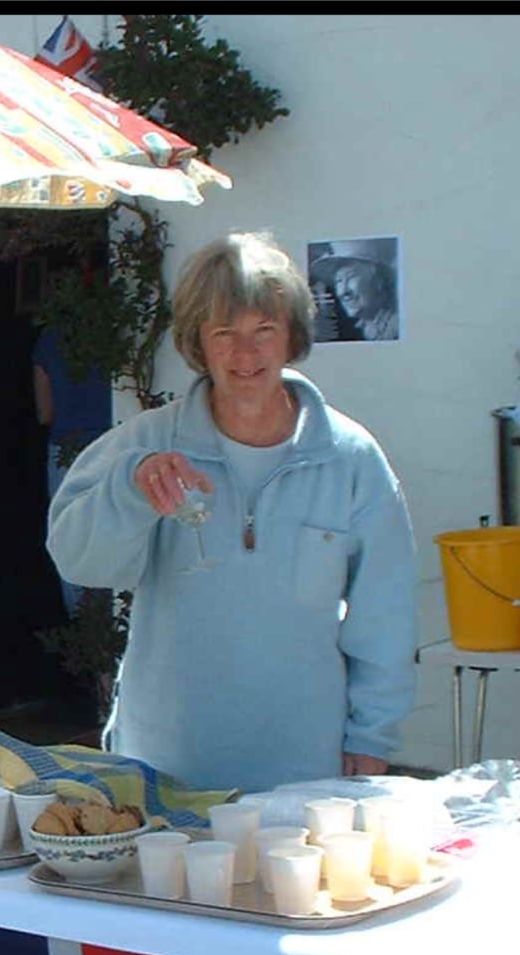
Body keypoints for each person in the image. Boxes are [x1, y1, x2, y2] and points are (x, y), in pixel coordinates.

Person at [46, 232, 417, 792]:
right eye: (225, 334)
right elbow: (79, 562)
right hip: (167, 765)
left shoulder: (349, 456)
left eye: (263, 331)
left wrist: (372, 738)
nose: (246, 355)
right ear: (198, 342)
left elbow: (385, 611)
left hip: (304, 770)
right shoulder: (145, 444)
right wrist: (130, 491)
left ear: (291, 334)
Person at [32, 322, 113, 616]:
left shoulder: (49, 339)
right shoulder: (112, 330)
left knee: (71, 542)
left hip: (68, 450)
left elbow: (45, 413)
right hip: (113, 443)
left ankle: (87, 633)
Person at [329, 257, 398, 342]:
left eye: (351, 277)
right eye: (338, 281)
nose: (343, 292)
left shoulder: (398, 326)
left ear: (378, 282)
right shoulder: (362, 328)